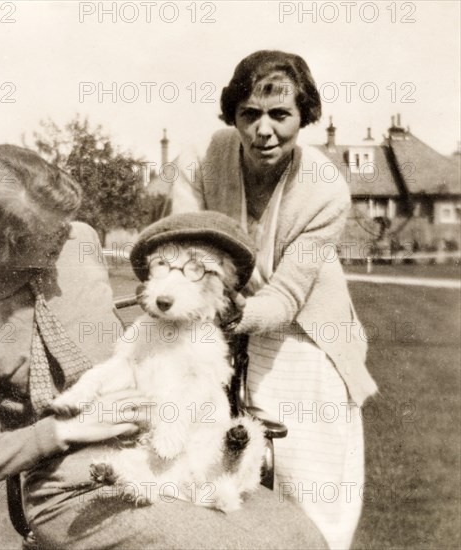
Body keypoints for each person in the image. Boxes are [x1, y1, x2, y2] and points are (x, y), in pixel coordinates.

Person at [0, 143, 327, 549]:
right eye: (48, 231)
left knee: (304, 539)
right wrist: (65, 430)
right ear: (4, 241)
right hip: (73, 484)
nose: (63, 235)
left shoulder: (78, 241)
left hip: (174, 458)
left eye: (64, 222)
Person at [168, 50, 378, 550]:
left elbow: (285, 294)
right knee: (220, 476)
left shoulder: (326, 189)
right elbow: (184, 241)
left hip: (306, 339)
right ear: (233, 116)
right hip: (222, 328)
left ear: (303, 116)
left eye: (280, 115)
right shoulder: (201, 159)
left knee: (310, 485)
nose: (264, 130)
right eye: (249, 114)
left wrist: (236, 311)